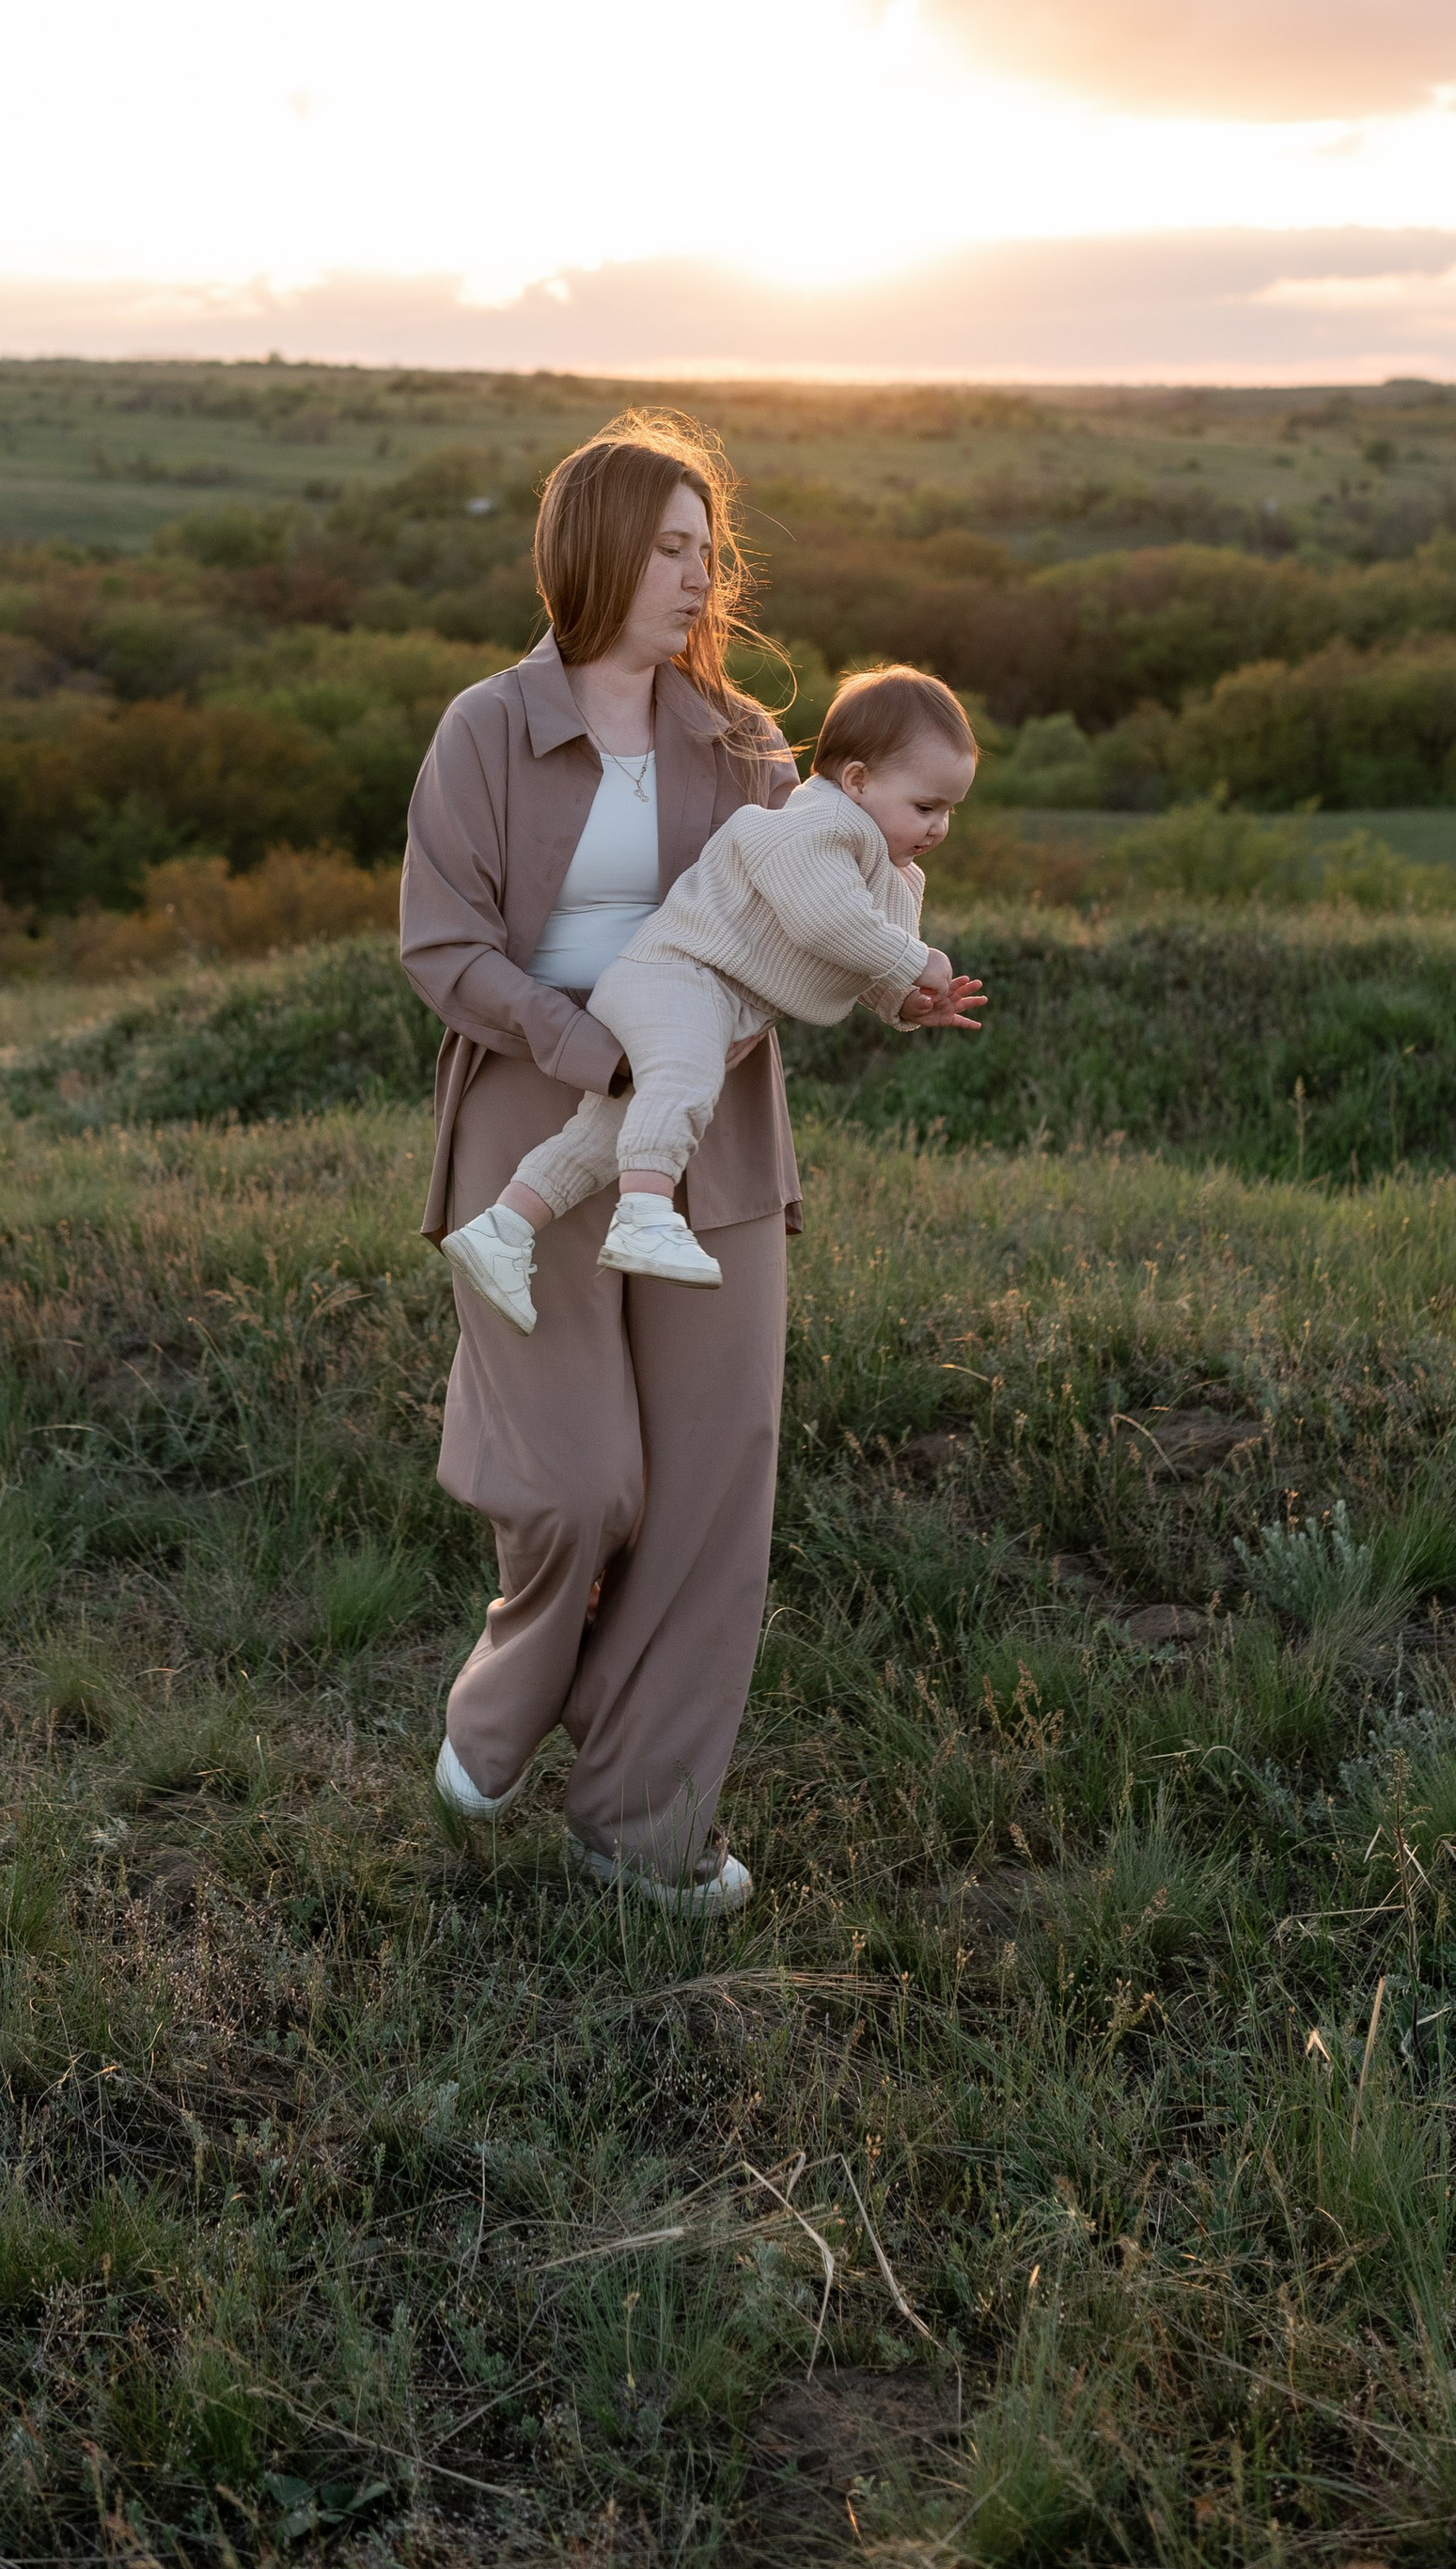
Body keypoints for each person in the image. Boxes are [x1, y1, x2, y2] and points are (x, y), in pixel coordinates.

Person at [401, 411, 962, 1914]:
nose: (694, 577)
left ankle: (643, 1830)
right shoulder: (485, 730)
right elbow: (440, 942)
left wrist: (897, 986)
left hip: (718, 1125)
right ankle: (503, 1709)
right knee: (581, 1483)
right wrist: (585, 1043)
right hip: (540, 1115)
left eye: (707, 554)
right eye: (665, 548)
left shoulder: (751, 744)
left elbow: (812, 923)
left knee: (715, 1494)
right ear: (591, 550)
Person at [443, 666, 987, 1329]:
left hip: (711, 995)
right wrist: (915, 959)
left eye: (951, 811)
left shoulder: (894, 873)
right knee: (684, 1078)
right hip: (678, 971)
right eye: (926, 806)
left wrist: (905, 1001)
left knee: (605, 1131)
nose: (938, 827)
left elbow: (850, 954)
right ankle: (644, 1215)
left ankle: (503, 1227)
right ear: (858, 782)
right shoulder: (815, 825)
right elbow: (827, 920)